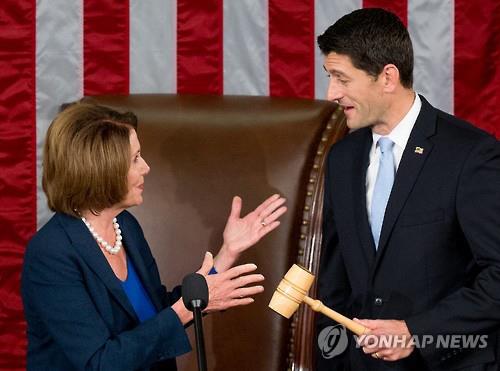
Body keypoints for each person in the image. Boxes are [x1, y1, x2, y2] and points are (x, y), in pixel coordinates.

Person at [21, 102, 287, 370]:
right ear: (103, 169)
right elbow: (99, 363)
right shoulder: (50, 254)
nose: (146, 167)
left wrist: (227, 252)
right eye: (135, 159)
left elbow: (156, 314)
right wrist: (185, 308)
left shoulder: (125, 226)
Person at [315, 8, 500, 371]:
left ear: (387, 77)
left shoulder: (470, 155)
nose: (331, 93)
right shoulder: (342, 158)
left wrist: (418, 332)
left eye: (341, 78)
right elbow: (335, 284)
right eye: (329, 77)